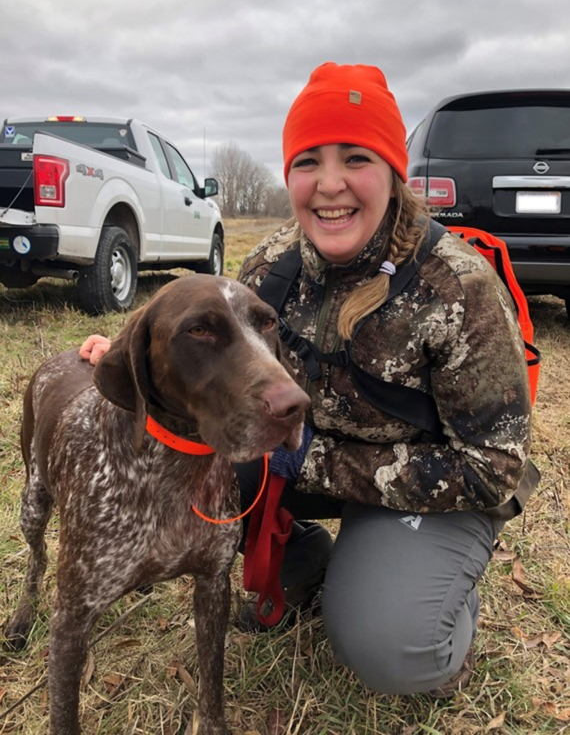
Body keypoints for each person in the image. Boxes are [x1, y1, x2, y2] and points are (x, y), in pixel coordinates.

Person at [80, 62, 536, 697]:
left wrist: (312, 463)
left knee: (390, 646)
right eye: (306, 162)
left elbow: (493, 469)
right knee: (204, 468)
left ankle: (434, 609)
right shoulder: (269, 266)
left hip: (441, 492)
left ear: (392, 171)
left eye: (356, 157)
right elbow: (213, 354)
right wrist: (127, 352)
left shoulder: (458, 287)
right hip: (307, 456)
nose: (329, 184)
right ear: (289, 174)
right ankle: (306, 561)